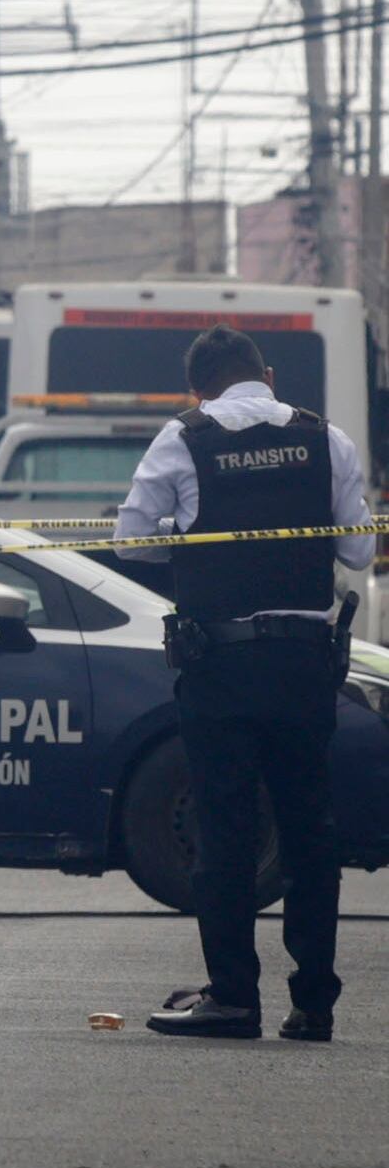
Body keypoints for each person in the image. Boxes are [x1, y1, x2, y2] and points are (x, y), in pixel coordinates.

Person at [114, 326, 372, 1041]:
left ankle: (232, 998)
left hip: (221, 665)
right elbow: (357, 550)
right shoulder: (327, 439)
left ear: (198, 389)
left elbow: (130, 539)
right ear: (268, 373)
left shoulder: (183, 437)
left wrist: (191, 536)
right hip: (303, 665)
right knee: (309, 831)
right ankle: (313, 1005)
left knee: (225, 829)